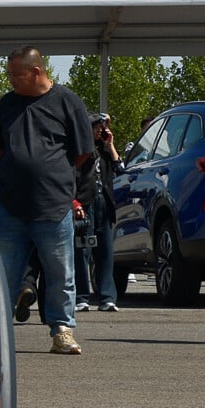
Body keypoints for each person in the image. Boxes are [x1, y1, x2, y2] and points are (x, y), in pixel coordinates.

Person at [0, 48, 96, 355]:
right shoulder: (6, 103)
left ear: (36, 72)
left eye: (16, 74)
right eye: (9, 74)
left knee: (60, 273)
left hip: (53, 205)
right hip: (9, 205)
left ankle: (62, 330)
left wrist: (55, 174)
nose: (11, 80)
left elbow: (83, 151)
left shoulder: (67, 101)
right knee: (3, 274)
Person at [71, 113, 123, 313]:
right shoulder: (80, 151)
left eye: (102, 128)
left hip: (104, 203)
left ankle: (107, 297)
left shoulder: (105, 152)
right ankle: (81, 297)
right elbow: (71, 177)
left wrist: (111, 146)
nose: (100, 131)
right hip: (85, 204)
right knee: (82, 251)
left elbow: (120, 169)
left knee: (105, 252)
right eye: (96, 127)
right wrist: (75, 203)